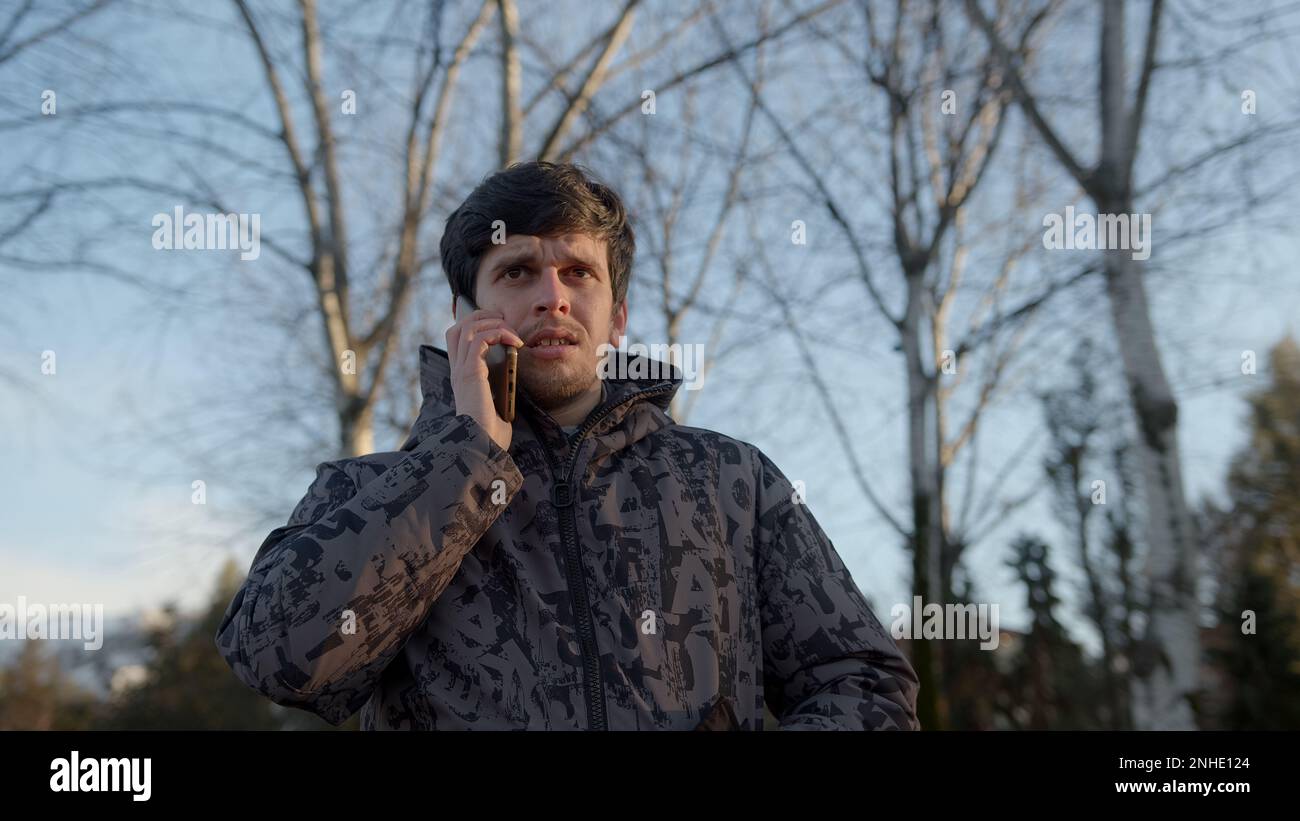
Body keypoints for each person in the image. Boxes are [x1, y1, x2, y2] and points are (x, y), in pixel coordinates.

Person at [215, 160, 920, 730]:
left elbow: (865, 686)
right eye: (517, 270)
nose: (552, 296)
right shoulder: (369, 489)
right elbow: (277, 658)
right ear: (466, 314)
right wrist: (463, 461)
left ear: (616, 316)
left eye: (578, 272)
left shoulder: (731, 481)